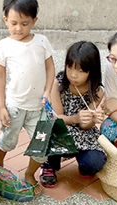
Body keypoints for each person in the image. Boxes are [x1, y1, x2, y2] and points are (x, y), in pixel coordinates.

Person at [0, 0, 55, 188]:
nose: (19, 28)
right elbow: (0, 77)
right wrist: (1, 107)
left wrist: (47, 91)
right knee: (7, 140)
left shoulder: (41, 41)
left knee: (42, 146)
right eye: (14, 23)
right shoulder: (3, 45)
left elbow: (50, 68)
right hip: (15, 106)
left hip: (39, 107)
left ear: (34, 20)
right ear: (5, 20)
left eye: (25, 23)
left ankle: (29, 173)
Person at [39, 41, 107, 188]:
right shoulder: (58, 83)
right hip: (59, 127)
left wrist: (92, 119)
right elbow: (57, 117)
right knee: (49, 129)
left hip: (83, 134)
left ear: (92, 71)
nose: (73, 75)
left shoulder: (97, 91)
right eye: (70, 67)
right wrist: (75, 118)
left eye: (81, 70)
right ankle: (50, 165)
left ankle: (81, 160)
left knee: (94, 163)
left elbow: (84, 126)